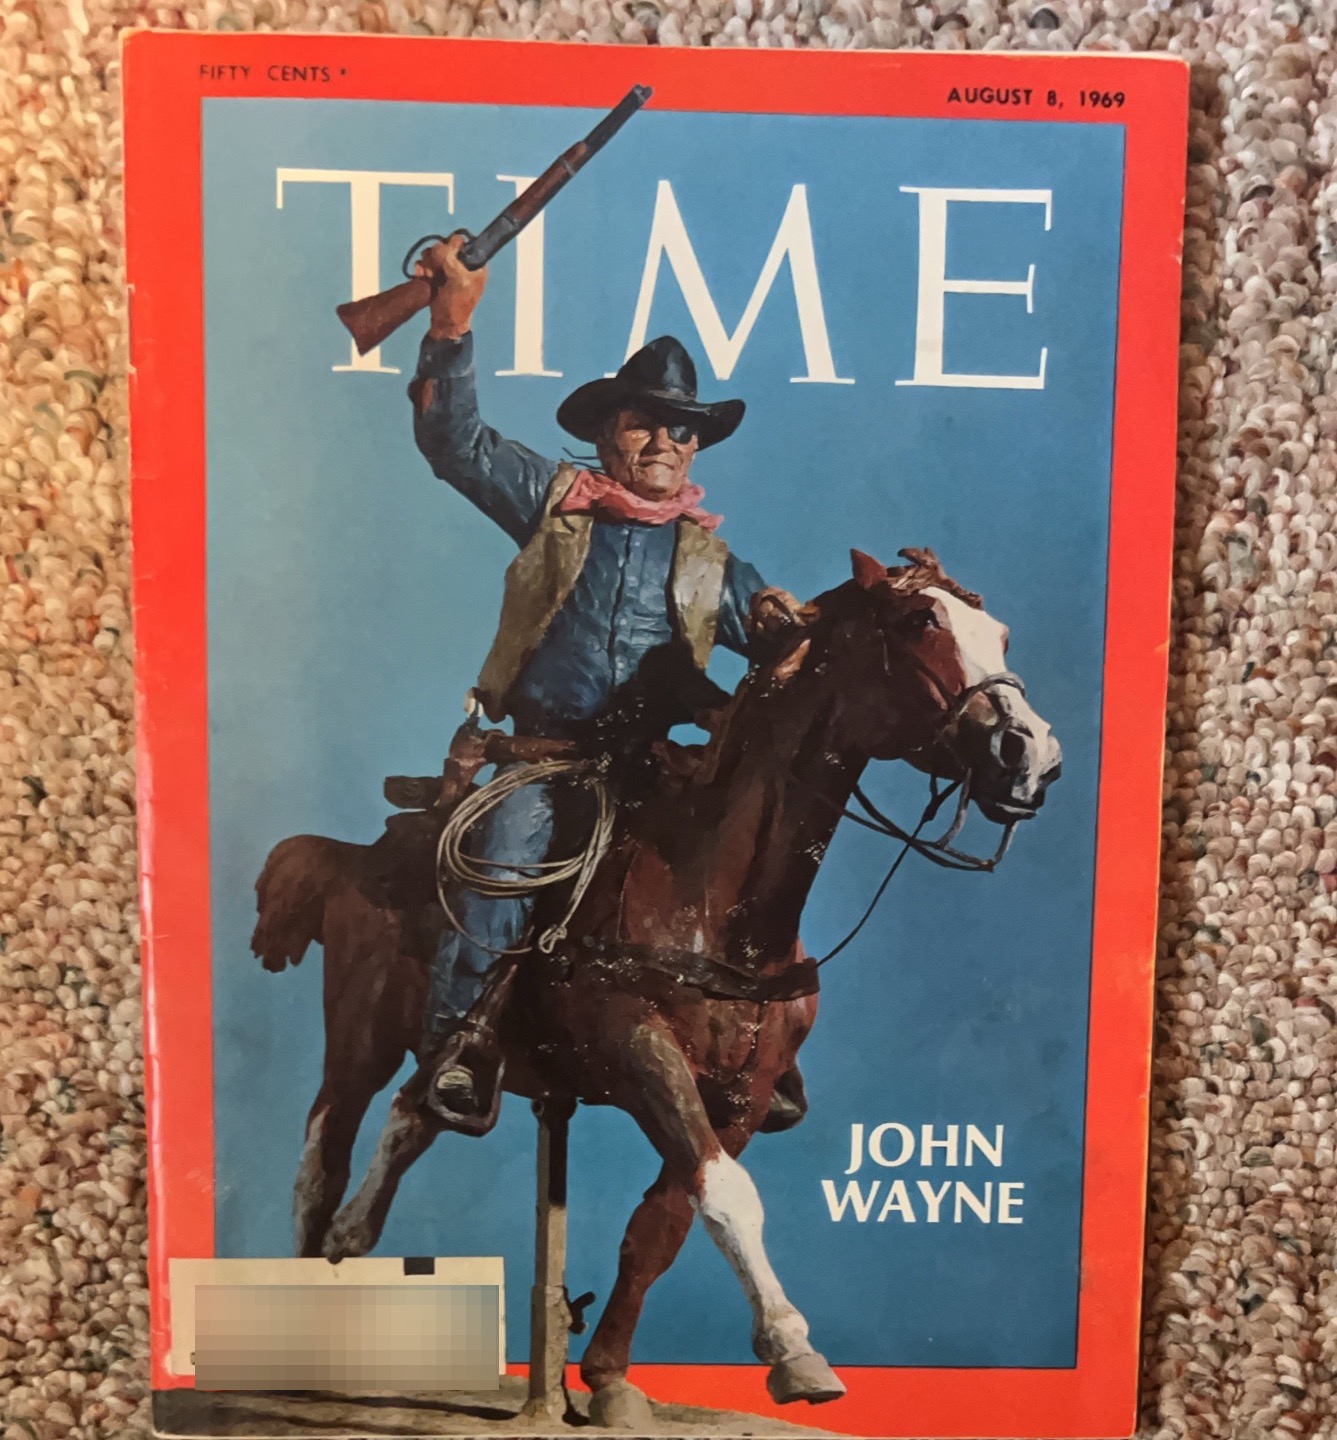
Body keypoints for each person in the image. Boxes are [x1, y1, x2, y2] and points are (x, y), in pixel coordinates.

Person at [407, 235, 803, 1126]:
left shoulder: (713, 562)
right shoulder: (553, 502)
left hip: (653, 769)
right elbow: (454, 441)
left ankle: (758, 1042)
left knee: (740, 867)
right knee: (502, 866)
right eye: (643, 423)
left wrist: (792, 623)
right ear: (603, 433)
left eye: (681, 429)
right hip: (543, 760)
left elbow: (782, 645)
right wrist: (451, 323)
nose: (664, 441)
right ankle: (461, 1041)